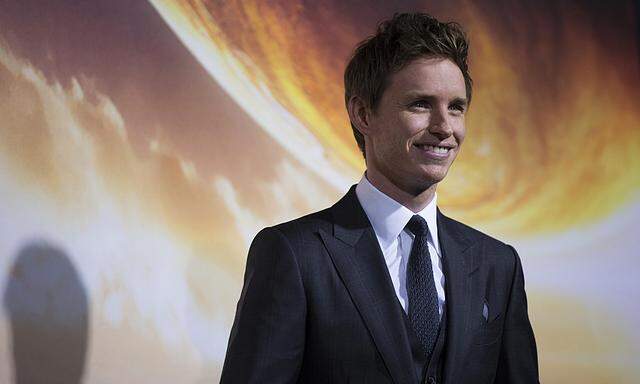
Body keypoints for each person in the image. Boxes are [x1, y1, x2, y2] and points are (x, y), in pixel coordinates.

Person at [221, 12, 539, 384]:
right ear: (362, 114)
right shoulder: (293, 254)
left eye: (456, 107)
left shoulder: (498, 265)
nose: (444, 127)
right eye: (420, 104)